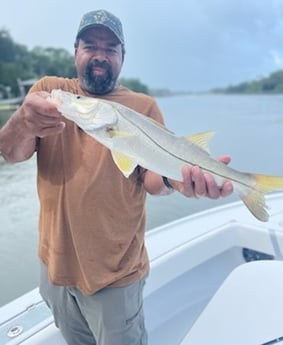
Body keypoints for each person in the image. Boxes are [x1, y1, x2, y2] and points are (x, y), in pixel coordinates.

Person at [0, 9, 233, 345]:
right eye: (90, 45)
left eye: (110, 49)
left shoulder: (142, 106)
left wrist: (178, 180)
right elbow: (11, 153)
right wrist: (22, 120)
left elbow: (151, 178)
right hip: (55, 269)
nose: (99, 55)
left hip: (116, 274)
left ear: (123, 56)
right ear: (75, 51)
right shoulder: (50, 93)